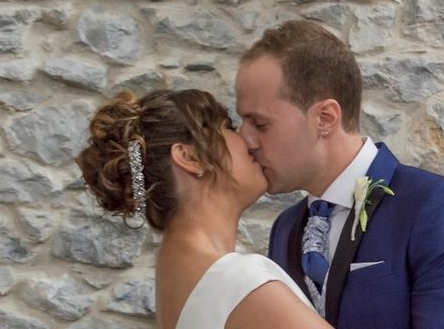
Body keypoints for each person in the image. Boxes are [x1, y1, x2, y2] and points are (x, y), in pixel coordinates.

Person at [235, 19, 444, 328]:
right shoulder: (284, 229)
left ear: (325, 118)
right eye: (242, 122)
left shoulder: (434, 207)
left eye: (260, 124)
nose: (245, 140)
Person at [76, 89, 333, 329]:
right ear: (189, 158)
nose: (247, 140)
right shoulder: (240, 281)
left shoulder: (174, 277)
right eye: (228, 127)